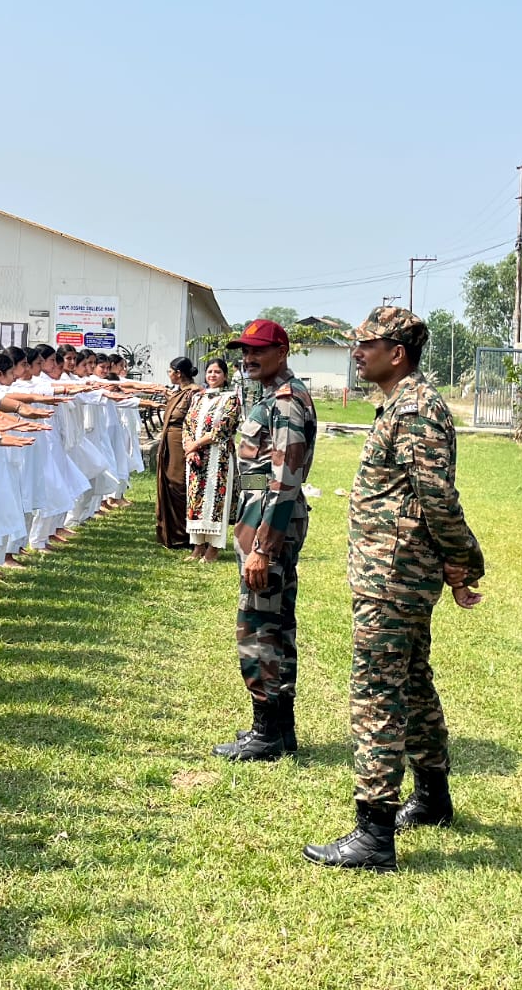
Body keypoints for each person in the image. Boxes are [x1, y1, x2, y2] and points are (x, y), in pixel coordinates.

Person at [303, 306, 485, 873]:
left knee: (377, 690)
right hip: (392, 570)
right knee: (411, 680)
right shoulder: (401, 403)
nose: (356, 353)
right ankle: (432, 797)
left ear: (397, 353)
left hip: (393, 574)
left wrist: (463, 559)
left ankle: (374, 833)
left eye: (366, 345)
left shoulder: (416, 408)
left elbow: (437, 497)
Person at [211, 319, 316, 763]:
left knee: (258, 626)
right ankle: (280, 728)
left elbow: (284, 480)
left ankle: (266, 732)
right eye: (244, 351)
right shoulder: (271, 397)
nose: (248, 358)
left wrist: (263, 548)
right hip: (259, 517)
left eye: (258, 350)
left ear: (282, 352)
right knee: (274, 621)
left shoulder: (287, 402)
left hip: (269, 525)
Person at [184, 358, 241, 562]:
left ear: (225, 376)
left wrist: (195, 444)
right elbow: (187, 425)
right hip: (196, 457)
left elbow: (223, 428)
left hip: (219, 457)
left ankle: (213, 548)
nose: (212, 375)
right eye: (209, 371)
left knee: (215, 500)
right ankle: (197, 546)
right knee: (195, 500)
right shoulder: (198, 398)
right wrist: (189, 449)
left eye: (217, 372)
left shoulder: (231, 399)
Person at [154, 358, 199, 549]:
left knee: (179, 483)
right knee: (169, 482)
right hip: (170, 442)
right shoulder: (179, 392)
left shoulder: (194, 393)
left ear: (178, 373)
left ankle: (185, 534)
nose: (169, 374)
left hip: (182, 442)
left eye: (170, 371)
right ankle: (171, 532)